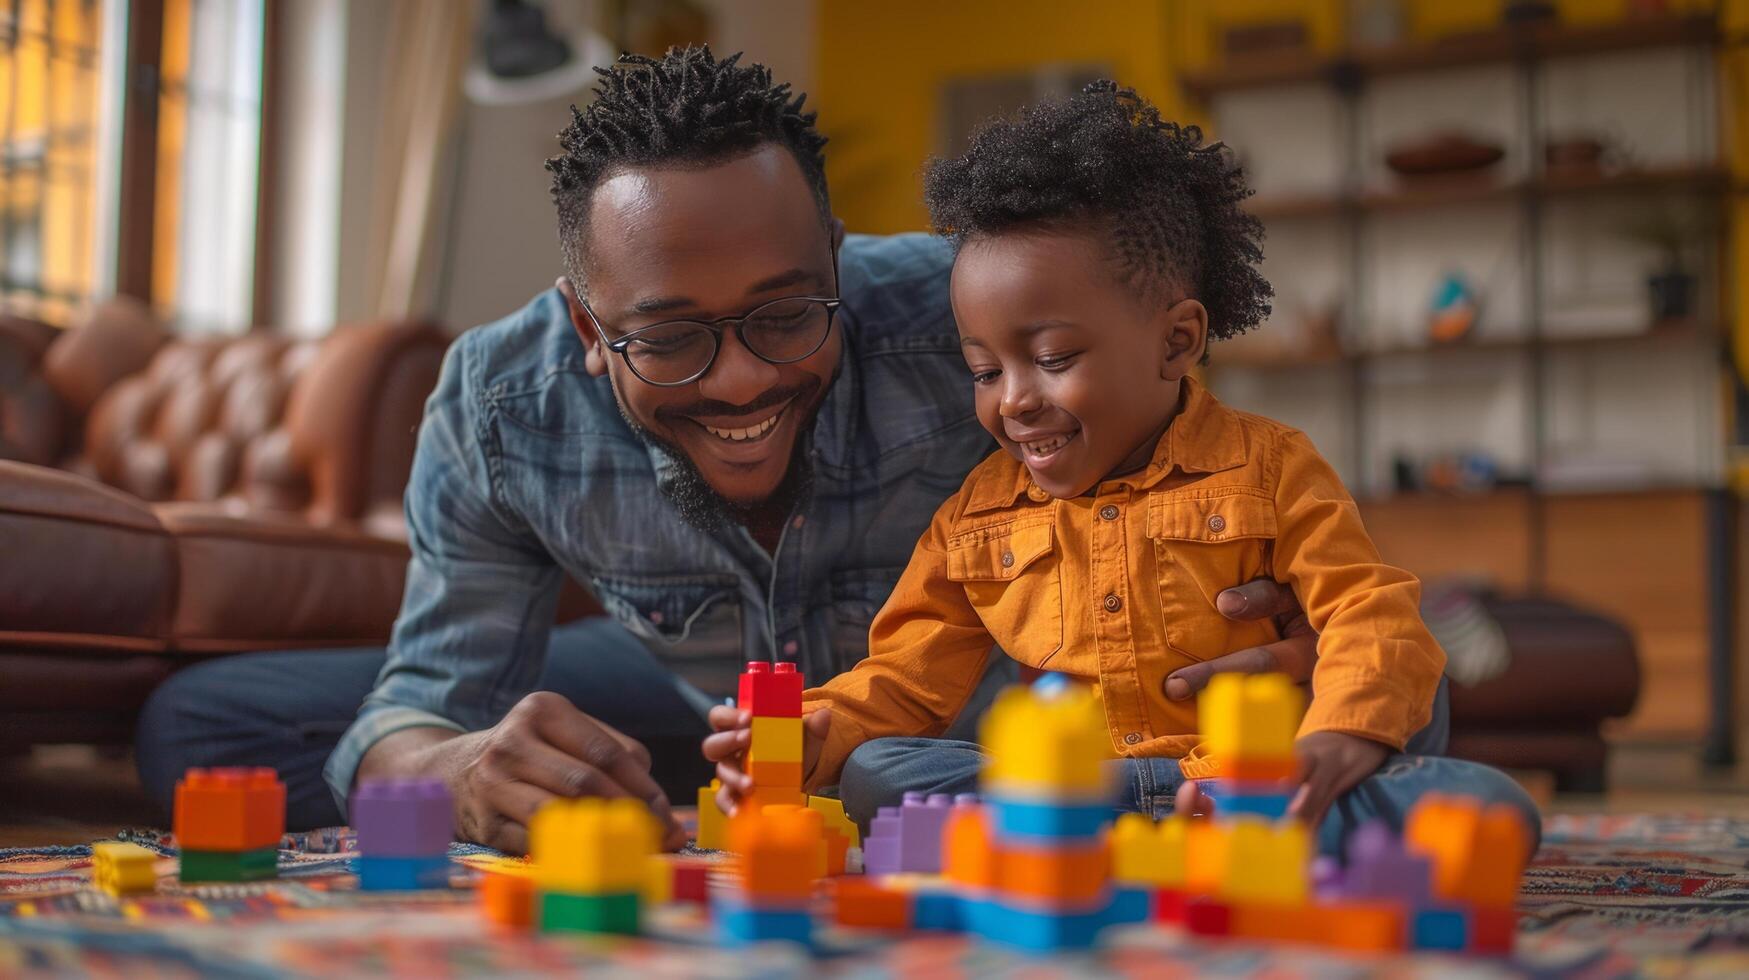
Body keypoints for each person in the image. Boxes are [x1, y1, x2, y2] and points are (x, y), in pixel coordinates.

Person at [132, 49, 1318, 852]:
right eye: (671, 338)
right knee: (203, 727)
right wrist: (464, 769)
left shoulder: (979, 331)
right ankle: (666, 788)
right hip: (692, 705)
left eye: (787, 313)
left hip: (966, 729)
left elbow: (1223, 504)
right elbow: (424, 703)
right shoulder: (502, 404)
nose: (743, 376)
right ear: (591, 328)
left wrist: (1294, 631)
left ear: (838, 259)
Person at [703, 82, 1539, 856]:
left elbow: (1365, 608)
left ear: (1176, 341)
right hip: (1072, 783)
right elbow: (905, 677)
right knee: (880, 772)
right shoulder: (975, 516)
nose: (1015, 400)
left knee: (1481, 804)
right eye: (985, 371)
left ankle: (1197, 830)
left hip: (1245, 777)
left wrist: (1336, 736)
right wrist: (813, 731)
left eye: (1053, 357)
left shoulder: (1272, 466)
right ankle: (1121, 838)